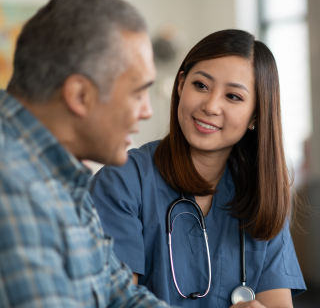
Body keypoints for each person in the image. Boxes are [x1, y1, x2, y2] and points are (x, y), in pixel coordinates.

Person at [90, 29, 307, 308]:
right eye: (201, 86)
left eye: (233, 97)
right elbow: (115, 302)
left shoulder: (261, 194)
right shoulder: (122, 181)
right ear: (181, 85)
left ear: (256, 115)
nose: (211, 106)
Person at [0, 0, 183, 308]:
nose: (147, 111)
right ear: (81, 95)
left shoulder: (63, 178)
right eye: (138, 93)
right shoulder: (13, 186)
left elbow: (121, 295)